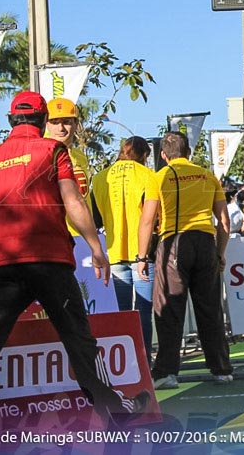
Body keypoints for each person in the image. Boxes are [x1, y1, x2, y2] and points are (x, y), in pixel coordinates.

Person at [0, 92, 148, 431]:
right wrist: (95, 248)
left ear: (12, 120)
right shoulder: (53, 150)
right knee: (79, 340)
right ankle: (117, 411)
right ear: (43, 121)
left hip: (1, 263)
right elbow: (72, 200)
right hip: (48, 259)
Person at [136, 131, 233, 390]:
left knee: (168, 309)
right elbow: (224, 222)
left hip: (174, 243)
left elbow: (147, 219)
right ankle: (221, 369)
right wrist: (220, 252)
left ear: (164, 155)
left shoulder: (160, 177)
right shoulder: (208, 175)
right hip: (204, 242)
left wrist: (141, 256)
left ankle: (167, 372)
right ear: (189, 152)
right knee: (211, 309)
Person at [91, 136, 155, 357]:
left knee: (122, 313)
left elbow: (95, 220)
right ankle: (145, 360)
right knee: (144, 311)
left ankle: (127, 361)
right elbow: (155, 218)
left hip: (114, 252)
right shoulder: (148, 176)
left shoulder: (100, 178)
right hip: (143, 255)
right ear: (145, 155)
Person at [46, 97, 91, 234]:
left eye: (66, 122)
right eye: (54, 122)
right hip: (56, 236)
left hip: (83, 237)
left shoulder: (80, 156)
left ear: (76, 123)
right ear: (46, 124)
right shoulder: (42, 155)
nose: (61, 128)